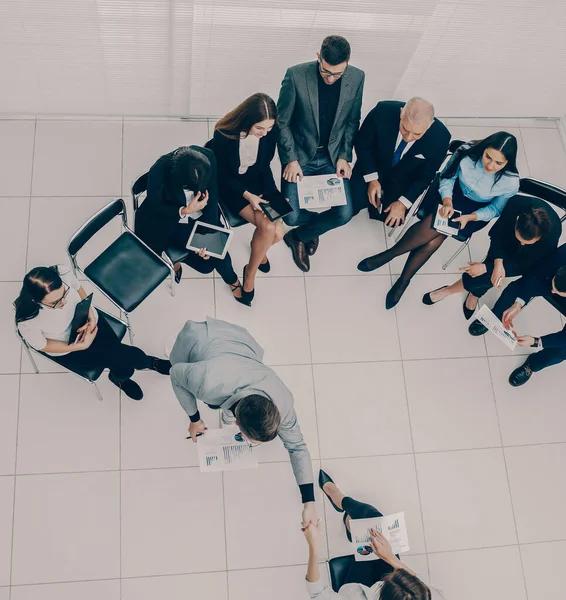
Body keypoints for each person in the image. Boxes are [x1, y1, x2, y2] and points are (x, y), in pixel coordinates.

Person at [169, 317, 318, 527]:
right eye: (251, 441)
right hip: (203, 337)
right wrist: (195, 419)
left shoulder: (283, 402)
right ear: (238, 424)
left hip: (242, 342)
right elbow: (175, 375)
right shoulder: (206, 381)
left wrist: (309, 502)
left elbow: (297, 447)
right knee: (176, 364)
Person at [357, 132, 520, 309]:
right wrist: (447, 200)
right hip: (448, 194)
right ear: (484, 149)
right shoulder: (466, 152)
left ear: (508, 163)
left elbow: (495, 209)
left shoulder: (510, 182)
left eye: (499, 163)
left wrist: (471, 217)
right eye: (488, 157)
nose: (490, 165)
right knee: (435, 235)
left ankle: (390, 256)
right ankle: (403, 280)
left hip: (474, 213)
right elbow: (447, 177)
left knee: (436, 233)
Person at [15, 265, 171, 400]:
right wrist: (78, 347)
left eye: (64, 294)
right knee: (126, 360)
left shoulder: (62, 272)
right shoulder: (27, 321)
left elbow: (80, 291)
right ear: (36, 301)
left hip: (88, 320)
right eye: (55, 302)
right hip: (69, 347)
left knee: (119, 357)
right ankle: (146, 364)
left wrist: (91, 316)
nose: (64, 302)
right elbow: (43, 346)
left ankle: (121, 376)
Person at [277, 35, 365, 272]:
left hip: (332, 156)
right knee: (290, 217)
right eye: (327, 72)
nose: (331, 78)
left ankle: (299, 237)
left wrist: (345, 156)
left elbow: (352, 121)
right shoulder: (296, 75)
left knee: (344, 213)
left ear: (348, 62)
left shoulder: (357, 77)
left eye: (337, 74)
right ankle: (308, 229)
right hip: (301, 156)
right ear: (319, 57)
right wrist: (291, 160)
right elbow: (282, 122)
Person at [302, 469, 443, 599]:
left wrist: (313, 547)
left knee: (368, 528)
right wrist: (391, 558)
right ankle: (342, 505)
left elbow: (317, 593)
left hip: (357, 588)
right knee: (375, 521)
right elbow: (422, 589)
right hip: (396, 586)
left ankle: (347, 516)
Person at [134, 146, 246, 304]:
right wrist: (185, 210)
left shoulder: (208, 157)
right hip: (166, 220)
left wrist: (208, 234)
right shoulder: (160, 169)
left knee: (215, 255)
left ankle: (232, 280)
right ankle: (176, 262)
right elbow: (155, 205)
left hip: (200, 217)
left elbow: (212, 200)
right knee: (197, 259)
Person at [423, 195, 561, 319]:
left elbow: (526, 265)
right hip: (506, 241)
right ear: (517, 220)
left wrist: (488, 268)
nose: (522, 244)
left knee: (491, 274)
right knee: (491, 271)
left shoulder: (551, 236)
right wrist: (497, 263)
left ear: (540, 237)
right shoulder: (515, 204)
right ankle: (461, 292)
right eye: (520, 239)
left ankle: (462, 292)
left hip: (526, 259)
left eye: (527, 242)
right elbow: (498, 234)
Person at [207, 93, 284, 305]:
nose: (265, 133)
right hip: (233, 188)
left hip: (257, 182)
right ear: (248, 120)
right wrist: (247, 195)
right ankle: (250, 273)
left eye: (269, 128)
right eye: (260, 128)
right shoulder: (224, 134)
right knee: (270, 230)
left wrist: (272, 194)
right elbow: (221, 175)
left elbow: (265, 165)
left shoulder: (271, 131)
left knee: (278, 234)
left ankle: (256, 251)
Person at [468, 244, 566, 386]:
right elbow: (536, 273)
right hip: (553, 279)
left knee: (562, 351)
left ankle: (532, 365)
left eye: (557, 292)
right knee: (517, 289)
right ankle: (493, 317)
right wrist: (518, 304)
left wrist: (536, 341)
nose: (553, 292)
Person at [350, 98, 450, 227]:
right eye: (405, 128)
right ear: (401, 113)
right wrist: (372, 179)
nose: (408, 138)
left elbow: (425, 176)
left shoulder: (441, 137)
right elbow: (362, 144)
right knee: (350, 205)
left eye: (416, 134)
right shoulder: (382, 111)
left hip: (402, 178)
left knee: (391, 219)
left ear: (429, 125)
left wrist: (403, 203)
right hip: (374, 165)